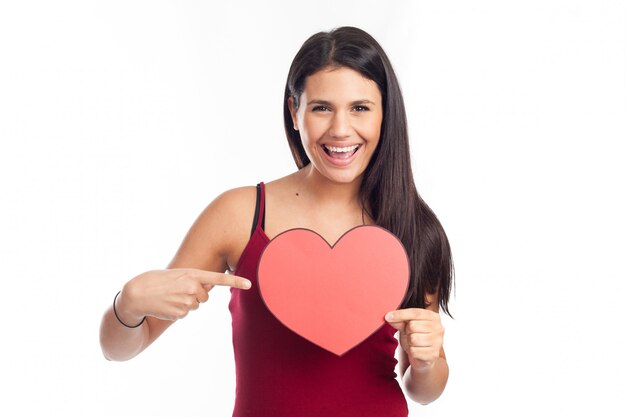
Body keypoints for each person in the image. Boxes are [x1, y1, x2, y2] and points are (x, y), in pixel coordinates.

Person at [99, 26, 454, 416]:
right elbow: (117, 349)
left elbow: (423, 390)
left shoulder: (415, 228)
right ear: (294, 112)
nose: (340, 129)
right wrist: (127, 306)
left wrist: (427, 361)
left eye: (360, 108)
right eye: (321, 107)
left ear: (385, 113)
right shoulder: (239, 214)